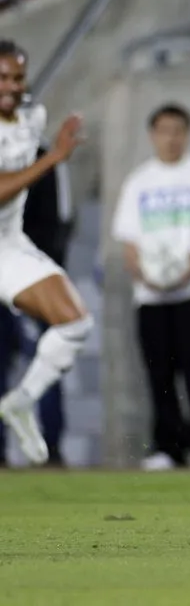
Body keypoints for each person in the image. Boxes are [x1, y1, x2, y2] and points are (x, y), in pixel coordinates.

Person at [111, 103, 190, 471]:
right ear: (152, 135)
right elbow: (128, 240)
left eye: (177, 130)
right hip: (151, 296)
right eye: (163, 130)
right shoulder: (139, 181)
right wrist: (143, 274)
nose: (171, 138)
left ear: (188, 134)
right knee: (159, 375)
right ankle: (168, 448)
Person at [0, 39, 92, 466]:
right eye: (1, 78)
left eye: (17, 77)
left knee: (75, 323)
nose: (10, 86)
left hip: (7, 245)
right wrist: (55, 155)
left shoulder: (32, 117)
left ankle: (21, 402)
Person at [0, 140, 74, 466]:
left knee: (46, 362)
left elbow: (62, 219)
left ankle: (51, 449)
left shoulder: (49, 157)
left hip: (31, 282)